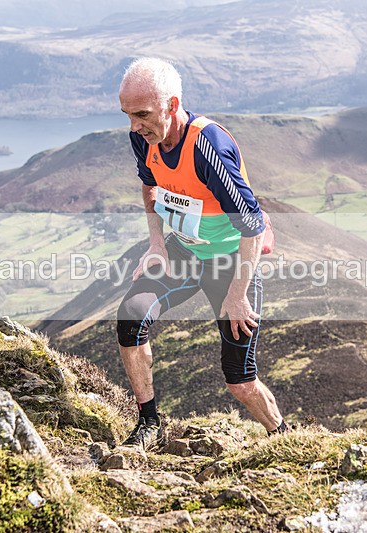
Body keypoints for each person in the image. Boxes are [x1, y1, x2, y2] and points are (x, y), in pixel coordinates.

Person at [116, 57, 287, 451]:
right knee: (131, 317)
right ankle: (149, 423)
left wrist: (237, 294)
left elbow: (252, 226)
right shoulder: (145, 137)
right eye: (127, 115)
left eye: (142, 114)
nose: (133, 126)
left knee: (240, 382)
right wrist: (157, 243)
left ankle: (282, 437)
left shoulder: (208, 148)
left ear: (172, 105)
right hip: (183, 252)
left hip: (230, 261)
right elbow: (149, 184)